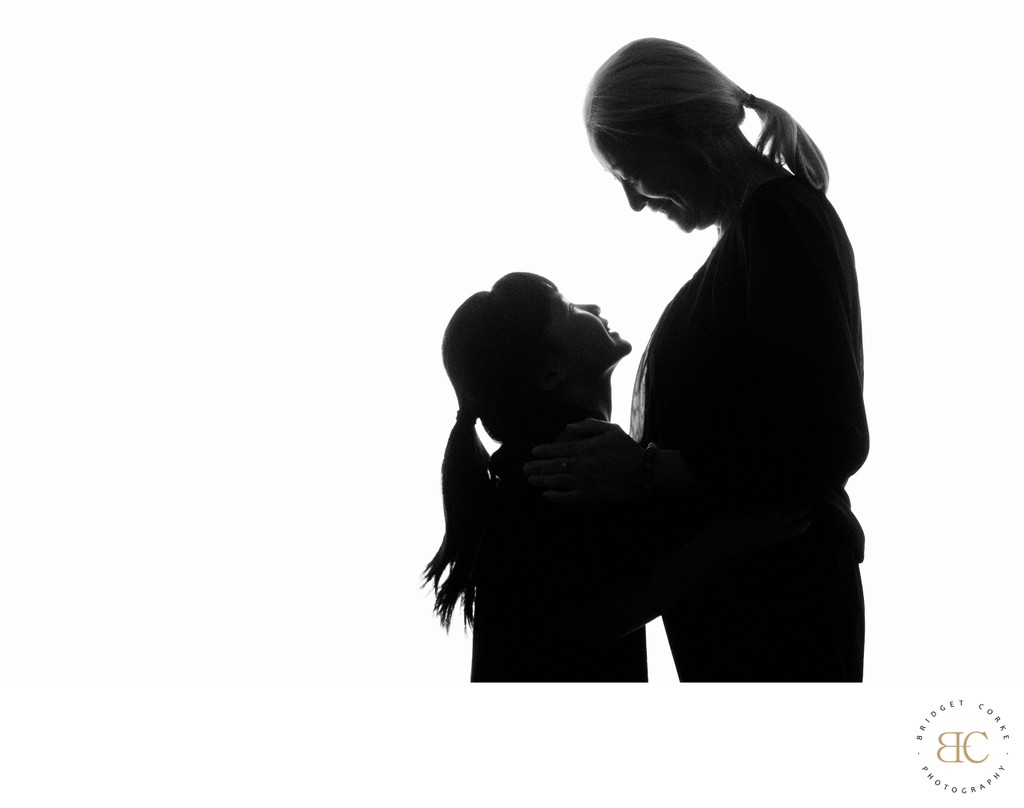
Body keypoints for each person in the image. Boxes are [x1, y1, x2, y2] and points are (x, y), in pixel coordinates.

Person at [525, 38, 869, 681]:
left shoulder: (780, 222)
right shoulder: (753, 236)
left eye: (631, 172)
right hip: (750, 619)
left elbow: (828, 441)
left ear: (682, 129)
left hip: (780, 619)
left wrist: (651, 471)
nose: (634, 200)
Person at [424, 272, 809, 682]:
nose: (593, 308)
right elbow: (596, 618)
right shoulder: (559, 476)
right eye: (568, 307)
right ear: (552, 372)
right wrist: (727, 539)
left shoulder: (545, 470)